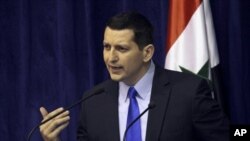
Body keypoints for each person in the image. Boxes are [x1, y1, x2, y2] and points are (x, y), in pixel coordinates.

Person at [39, 11, 229, 141]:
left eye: (121, 49)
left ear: (147, 53)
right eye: (107, 47)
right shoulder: (93, 101)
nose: (111, 58)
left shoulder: (188, 92)